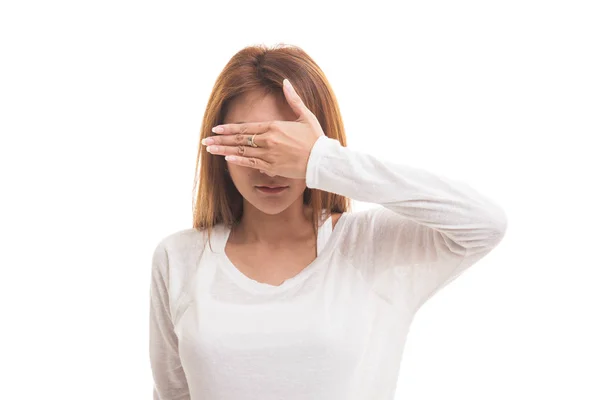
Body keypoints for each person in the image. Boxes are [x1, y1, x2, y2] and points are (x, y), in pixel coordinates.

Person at [149, 44, 507, 400]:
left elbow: (484, 223)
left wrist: (324, 161)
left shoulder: (371, 248)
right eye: (249, 142)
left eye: (287, 142)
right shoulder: (179, 258)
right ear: (217, 145)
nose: (268, 164)